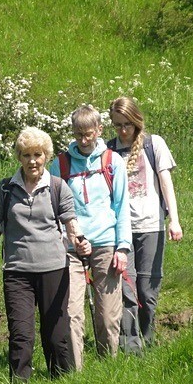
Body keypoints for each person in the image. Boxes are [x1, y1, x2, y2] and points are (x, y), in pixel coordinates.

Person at [0, 127, 88, 381]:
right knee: (21, 334)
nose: (32, 161)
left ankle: (61, 383)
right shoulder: (6, 189)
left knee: (56, 334)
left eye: (37, 155)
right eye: (26, 155)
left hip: (53, 269)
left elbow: (71, 223)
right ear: (18, 157)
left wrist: (80, 242)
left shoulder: (58, 187)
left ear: (46, 156)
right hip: (17, 271)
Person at [49, 105, 132, 370]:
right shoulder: (60, 165)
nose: (83, 140)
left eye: (88, 134)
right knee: (72, 312)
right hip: (71, 247)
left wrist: (123, 248)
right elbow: (52, 210)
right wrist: (66, 237)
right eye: (78, 134)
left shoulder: (112, 162)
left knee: (107, 314)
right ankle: (76, 373)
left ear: (99, 130)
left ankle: (109, 369)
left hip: (106, 244)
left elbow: (121, 207)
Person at [108, 97, 183, 350]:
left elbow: (166, 184)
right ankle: (131, 347)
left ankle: (148, 339)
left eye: (127, 124)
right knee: (127, 290)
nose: (123, 130)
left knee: (147, 291)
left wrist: (174, 220)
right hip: (121, 231)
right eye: (117, 125)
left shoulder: (154, 144)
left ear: (137, 120)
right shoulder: (108, 151)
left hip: (151, 226)